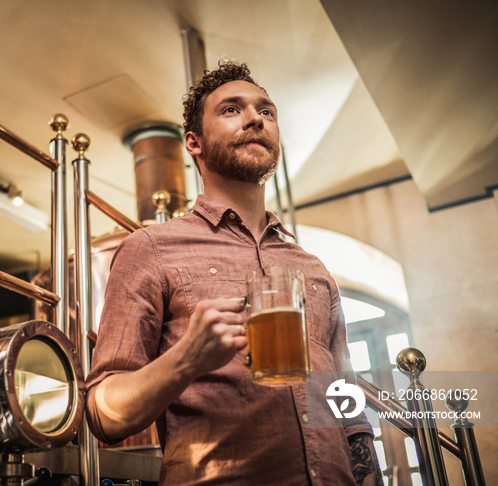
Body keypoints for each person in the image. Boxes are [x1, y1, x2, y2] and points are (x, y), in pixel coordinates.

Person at [85, 60, 383, 485]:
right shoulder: (149, 249)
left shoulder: (312, 269)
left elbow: (346, 405)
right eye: (231, 110)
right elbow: (103, 413)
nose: (255, 119)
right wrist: (185, 360)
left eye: (267, 111)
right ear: (194, 142)